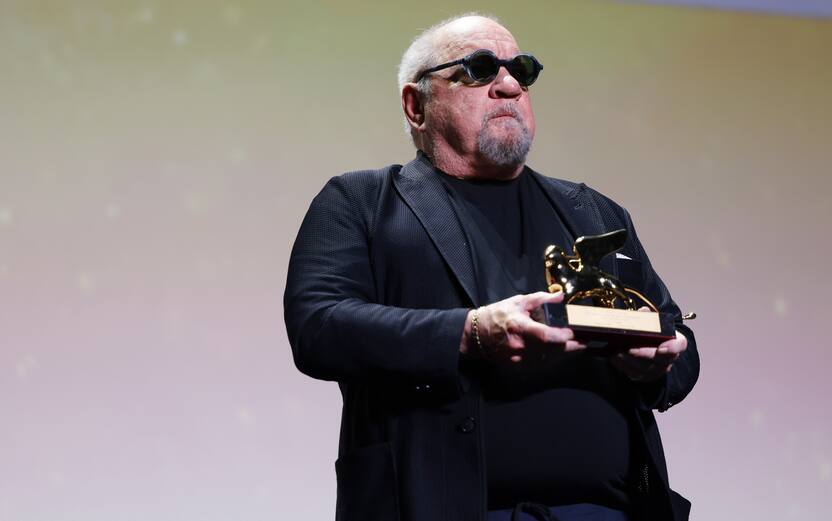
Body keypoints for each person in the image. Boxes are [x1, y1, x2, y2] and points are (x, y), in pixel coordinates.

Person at [284, 13, 699, 521]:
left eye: (521, 70)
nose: (508, 85)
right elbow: (319, 327)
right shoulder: (362, 202)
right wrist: (469, 333)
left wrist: (659, 361)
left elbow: (675, 335)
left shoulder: (595, 211)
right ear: (417, 104)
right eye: (479, 69)